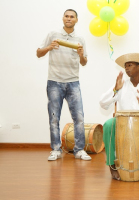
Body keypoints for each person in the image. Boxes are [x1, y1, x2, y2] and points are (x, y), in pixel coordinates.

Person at [36, 9, 91, 161]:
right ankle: (55, 149)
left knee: (79, 117)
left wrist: (81, 55)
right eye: (66, 16)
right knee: (54, 118)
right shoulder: (53, 35)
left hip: (73, 82)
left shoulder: (80, 38)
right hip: (54, 82)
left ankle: (79, 150)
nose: (69, 18)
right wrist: (49, 47)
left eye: (72, 17)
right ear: (63, 18)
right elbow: (38, 53)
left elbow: (84, 62)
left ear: (76, 20)